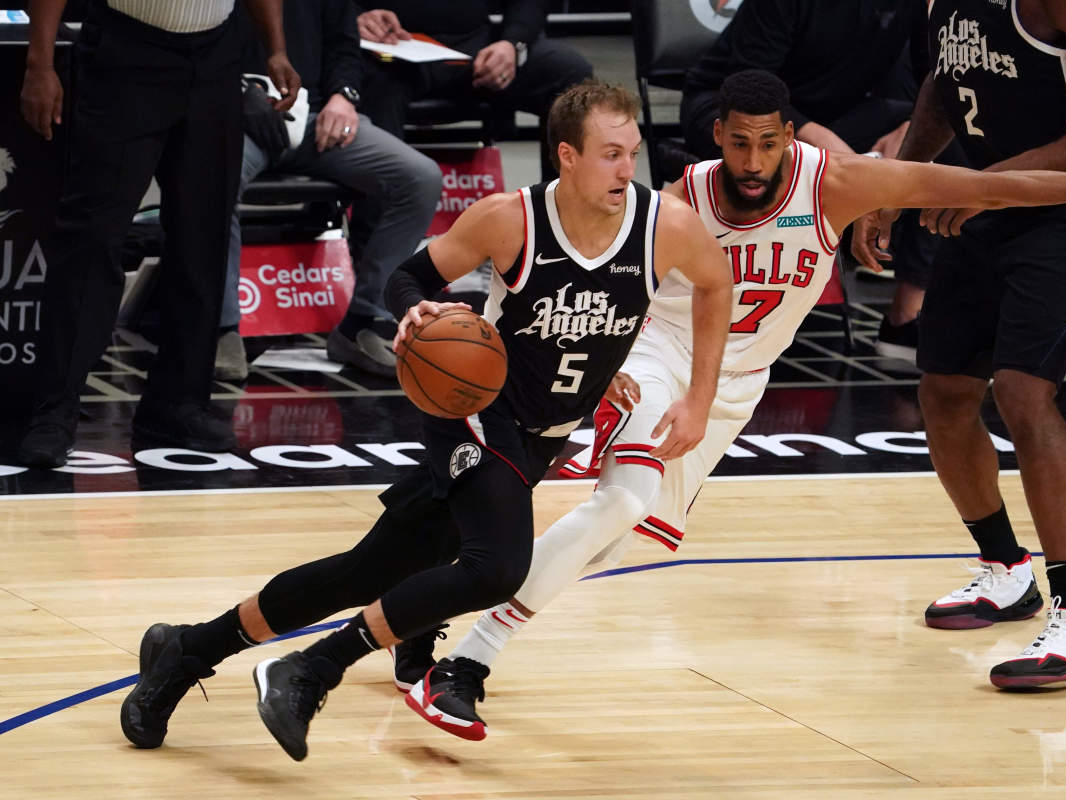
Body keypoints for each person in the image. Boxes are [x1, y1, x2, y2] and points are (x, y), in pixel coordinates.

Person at [398, 68, 1066, 738]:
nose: (753, 161)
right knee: (620, 503)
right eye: (738, 143)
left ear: (791, 136)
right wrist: (597, 358)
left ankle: (440, 596)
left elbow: (991, 186)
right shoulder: (684, 195)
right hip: (660, 358)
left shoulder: (839, 184)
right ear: (717, 136)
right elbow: (606, 271)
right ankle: (466, 663)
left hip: (736, 386)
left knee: (613, 536)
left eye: (769, 142)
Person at [116, 80, 734, 762]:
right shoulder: (511, 219)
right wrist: (417, 310)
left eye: (633, 152)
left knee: (364, 572)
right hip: (476, 411)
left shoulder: (664, 226)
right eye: (611, 154)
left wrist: (698, 398)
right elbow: (407, 278)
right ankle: (310, 670)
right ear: (567, 155)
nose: (627, 169)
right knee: (498, 567)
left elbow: (716, 284)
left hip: (542, 437)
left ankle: (185, 650)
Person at [853, 0, 1066, 688]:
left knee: (1022, 392)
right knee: (944, 392)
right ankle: (1006, 567)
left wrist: (993, 188)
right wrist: (900, 182)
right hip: (983, 195)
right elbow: (943, 85)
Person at [14, 0, 300, 468]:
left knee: (203, 238)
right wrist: (39, 64)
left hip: (216, 57)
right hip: (127, 53)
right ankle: (53, 411)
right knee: (92, 238)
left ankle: (178, 405)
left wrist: (276, 49)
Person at [680, 0, 951, 361]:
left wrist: (911, 129)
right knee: (770, 148)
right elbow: (749, 83)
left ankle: (905, 318)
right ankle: (726, 310)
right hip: (731, 107)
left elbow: (931, 78)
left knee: (944, 134)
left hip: (832, 113)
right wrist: (834, 154)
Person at [215, 0, 443, 381]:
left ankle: (364, 322)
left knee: (420, 177)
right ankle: (220, 329)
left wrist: (343, 96)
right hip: (235, 114)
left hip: (316, 118)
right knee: (215, 177)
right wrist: (236, 95)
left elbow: (344, 44)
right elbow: (197, 46)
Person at [356, 1, 593, 180]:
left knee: (570, 74)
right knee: (373, 86)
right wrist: (355, 16)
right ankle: (377, 228)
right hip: (389, 45)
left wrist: (512, 43)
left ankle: (560, 218)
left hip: (475, 44)